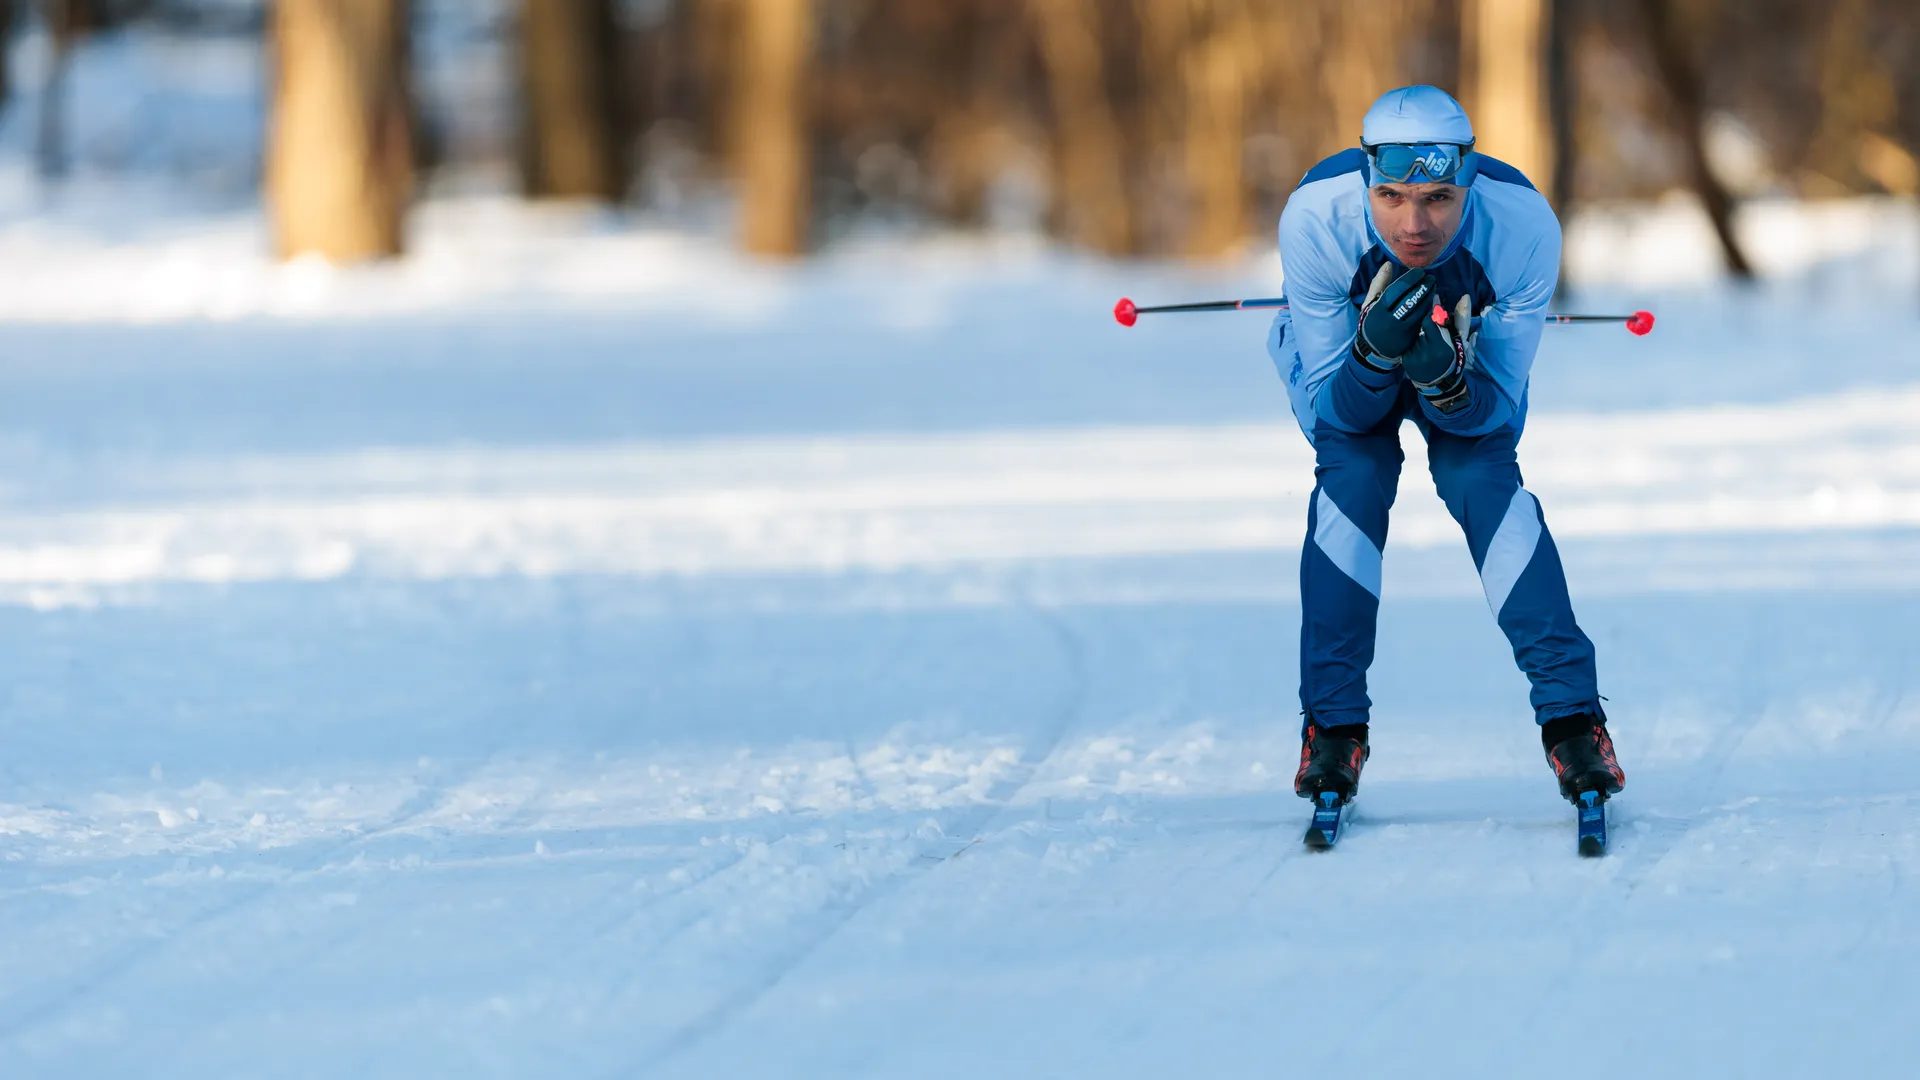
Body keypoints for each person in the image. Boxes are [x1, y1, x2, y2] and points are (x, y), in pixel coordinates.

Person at [1266, 85, 1624, 809]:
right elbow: (1341, 416)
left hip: (1466, 359)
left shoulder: (1521, 226)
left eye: (1438, 198)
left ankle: (1574, 722)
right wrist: (1372, 354)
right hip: (1346, 356)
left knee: (1481, 477)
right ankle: (1333, 729)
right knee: (1353, 475)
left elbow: (1490, 425)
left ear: (1468, 184)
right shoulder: (1316, 219)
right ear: (1367, 180)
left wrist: (1448, 382)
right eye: (1392, 196)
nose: (1415, 223)